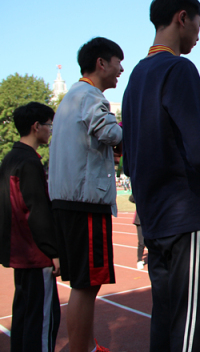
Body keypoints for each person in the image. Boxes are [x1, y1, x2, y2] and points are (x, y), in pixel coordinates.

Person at [122, 0, 200, 352]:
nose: (198, 36)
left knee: (167, 319)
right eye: (198, 25)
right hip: (186, 215)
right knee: (195, 326)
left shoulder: (135, 79)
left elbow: (130, 157)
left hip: (155, 217)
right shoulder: (179, 68)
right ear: (182, 17)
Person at [48, 37, 124, 352]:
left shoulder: (69, 98)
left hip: (69, 204)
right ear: (101, 63)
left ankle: (83, 345)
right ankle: (81, 349)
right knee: (86, 284)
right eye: (118, 61)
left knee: (82, 283)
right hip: (86, 205)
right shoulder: (91, 96)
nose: (122, 69)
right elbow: (111, 133)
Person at [0, 102, 60, 352]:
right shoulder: (29, 163)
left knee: (24, 316)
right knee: (43, 320)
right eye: (49, 125)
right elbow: (37, 211)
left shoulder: (10, 158)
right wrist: (53, 251)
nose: (50, 130)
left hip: (17, 252)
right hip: (35, 255)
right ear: (36, 127)